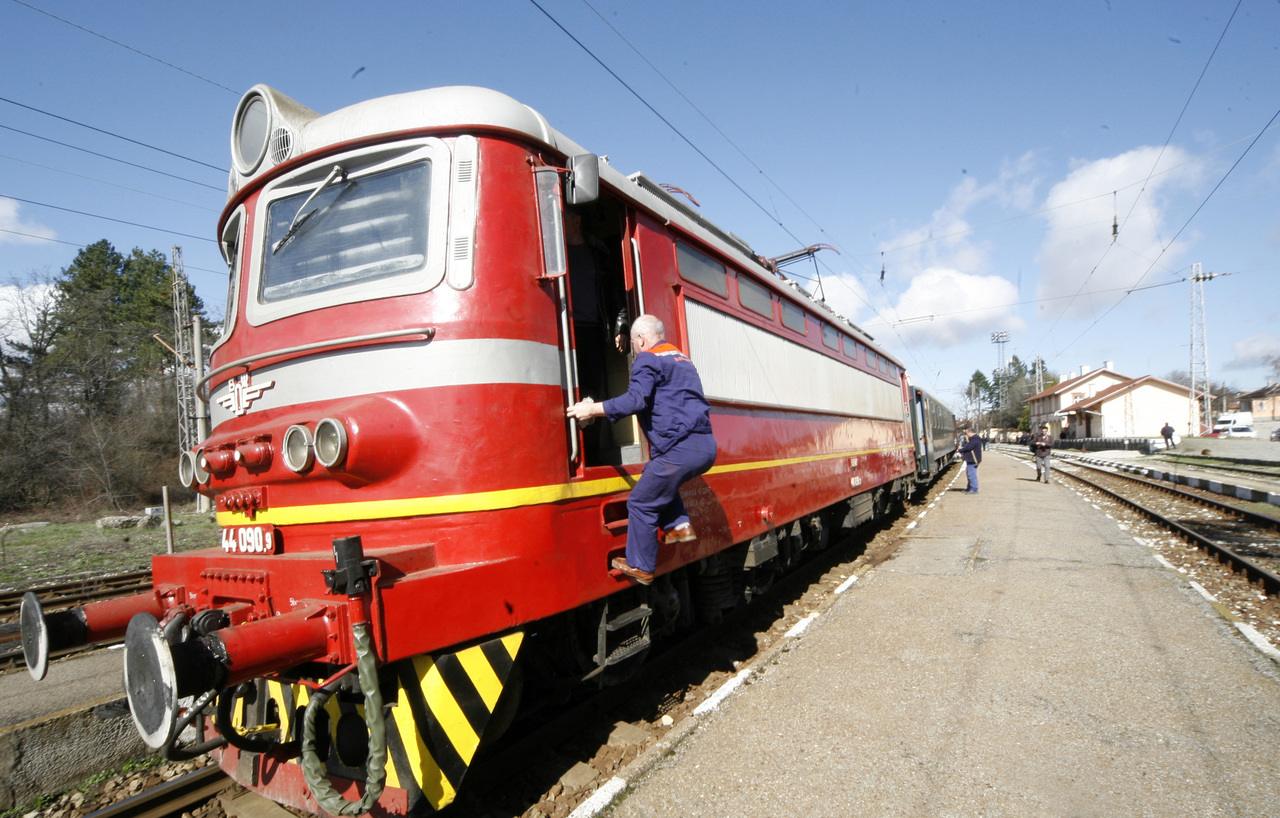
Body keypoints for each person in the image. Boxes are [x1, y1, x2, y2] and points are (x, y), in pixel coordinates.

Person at [566, 315, 717, 585]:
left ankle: (640, 565)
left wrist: (591, 409)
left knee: (641, 502)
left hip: (678, 450)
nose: (634, 348)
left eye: (635, 343)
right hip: (704, 447)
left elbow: (635, 400)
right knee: (657, 476)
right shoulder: (681, 358)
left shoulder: (648, 358)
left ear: (642, 340)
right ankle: (678, 527)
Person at [565, 209, 629, 461]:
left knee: (592, 394)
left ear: (577, 220)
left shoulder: (599, 256)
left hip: (592, 331)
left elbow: (615, 297)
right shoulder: (553, 254)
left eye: (563, 217)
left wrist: (621, 326)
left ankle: (590, 454)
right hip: (562, 331)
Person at [959, 427, 982, 493]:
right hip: (972, 459)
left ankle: (974, 489)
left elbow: (968, 447)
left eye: (966, 433)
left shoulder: (974, 439)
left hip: (973, 459)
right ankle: (969, 488)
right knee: (970, 474)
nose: (966, 435)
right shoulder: (975, 439)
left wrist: (960, 450)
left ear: (970, 432)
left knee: (971, 474)